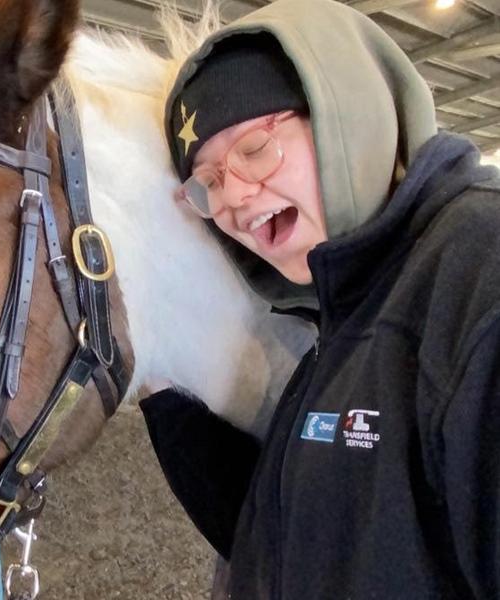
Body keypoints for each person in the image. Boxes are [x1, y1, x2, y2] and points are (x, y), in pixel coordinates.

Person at [140, 0, 500, 598]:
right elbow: (289, 538)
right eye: (207, 183)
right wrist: (165, 392)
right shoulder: (342, 317)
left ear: (345, 113)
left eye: (254, 149)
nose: (232, 199)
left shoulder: (477, 272)